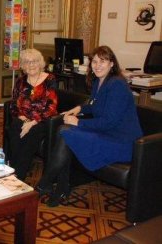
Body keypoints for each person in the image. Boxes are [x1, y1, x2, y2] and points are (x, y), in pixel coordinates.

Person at [36, 46, 143, 207]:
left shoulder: (117, 85)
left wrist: (78, 121)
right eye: (94, 61)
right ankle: (60, 186)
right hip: (107, 132)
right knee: (65, 133)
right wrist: (79, 109)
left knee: (66, 131)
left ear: (112, 64)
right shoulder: (99, 81)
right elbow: (94, 105)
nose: (97, 65)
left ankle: (45, 184)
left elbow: (109, 121)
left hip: (122, 141)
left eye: (103, 61)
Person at [7, 48, 58, 180]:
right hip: (25, 117)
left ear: (40, 63)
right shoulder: (21, 81)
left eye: (34, 61)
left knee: (31, 133)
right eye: (27, 62)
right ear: (23, 65)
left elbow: (51, 106)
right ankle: (13, 168)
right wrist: (22, 117)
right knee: (15, 126)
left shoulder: (49, 79)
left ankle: (18, 175)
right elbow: (13, 103)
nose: (31, 65)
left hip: (43, 119)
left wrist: (33, 122)